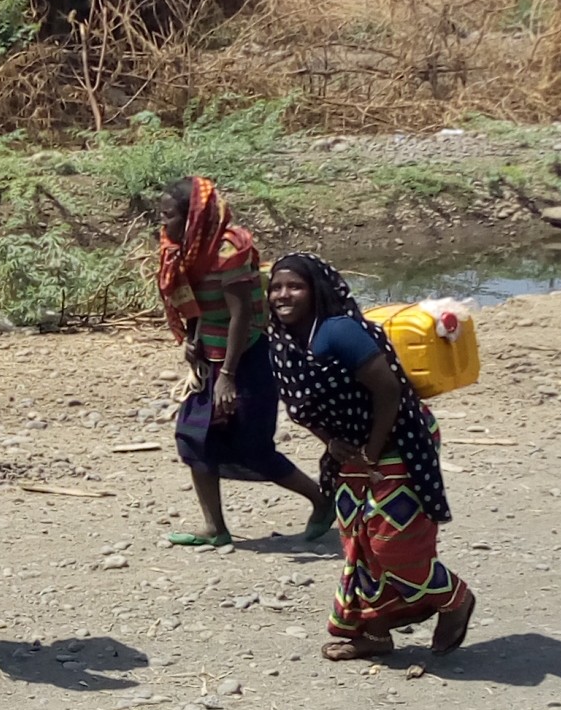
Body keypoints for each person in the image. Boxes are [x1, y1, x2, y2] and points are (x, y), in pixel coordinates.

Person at [266, 253, 477, 661]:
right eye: (276, 287)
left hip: (399, 436)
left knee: (392, 543)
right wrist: (331, 441)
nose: (283, 295)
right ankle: (374, 634)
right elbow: (301, 407)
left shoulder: (339, 332)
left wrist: (372, 453)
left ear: (316, 291)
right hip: (351, 447)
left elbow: (389, 392)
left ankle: (454, 598)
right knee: (359, 542)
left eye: (294, 286)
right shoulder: (284, 342)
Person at [157, 178, 334, 547]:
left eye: (169, 216)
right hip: (212, 354)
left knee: (253, 447)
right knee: (194, 438)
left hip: (248, 356)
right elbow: (192, 302)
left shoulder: (227, 249)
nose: (163, 224)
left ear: (193, 218)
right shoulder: (184, 249)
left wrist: (228, 377)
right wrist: (193, 342)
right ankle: (214, 528)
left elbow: (240, 316)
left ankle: (321, 501)